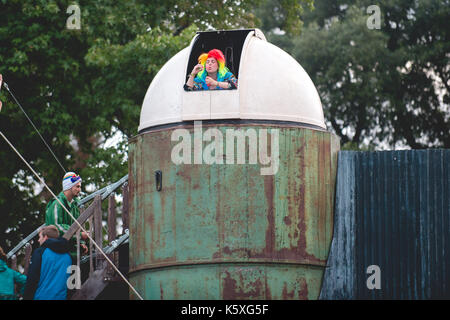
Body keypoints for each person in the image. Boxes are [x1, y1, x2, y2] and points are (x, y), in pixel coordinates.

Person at [23, 225, 72, 300]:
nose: (38, 240)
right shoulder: (68, 255)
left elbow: (32, 279)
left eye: (40, 237)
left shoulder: (40, 252)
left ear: (45, 237)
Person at [45, 171, 88, 254]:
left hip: (69, 250)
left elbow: (77, 226)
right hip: (56, 252)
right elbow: (55, 228)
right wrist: (79, 235)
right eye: (77, 187)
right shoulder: (57, 204)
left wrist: (81, 243)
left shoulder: (74, 206)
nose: (79, 190)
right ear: (69, 186)